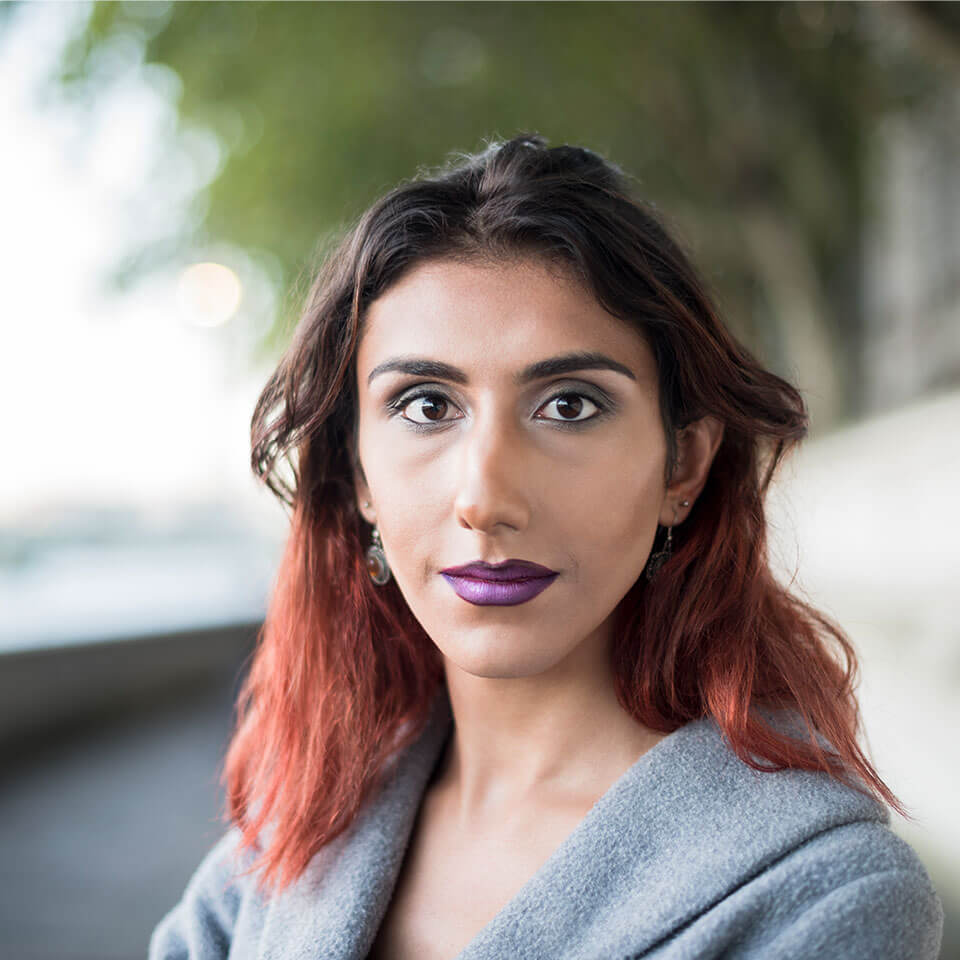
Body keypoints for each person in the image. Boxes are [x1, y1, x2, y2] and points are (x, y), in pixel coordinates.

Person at [148, 134, 944, 960]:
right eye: (426, 406)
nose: (486, 499)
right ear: (358, 477)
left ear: (684, 464)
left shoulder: (823, 897)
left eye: (568, 406)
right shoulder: (286, 841)